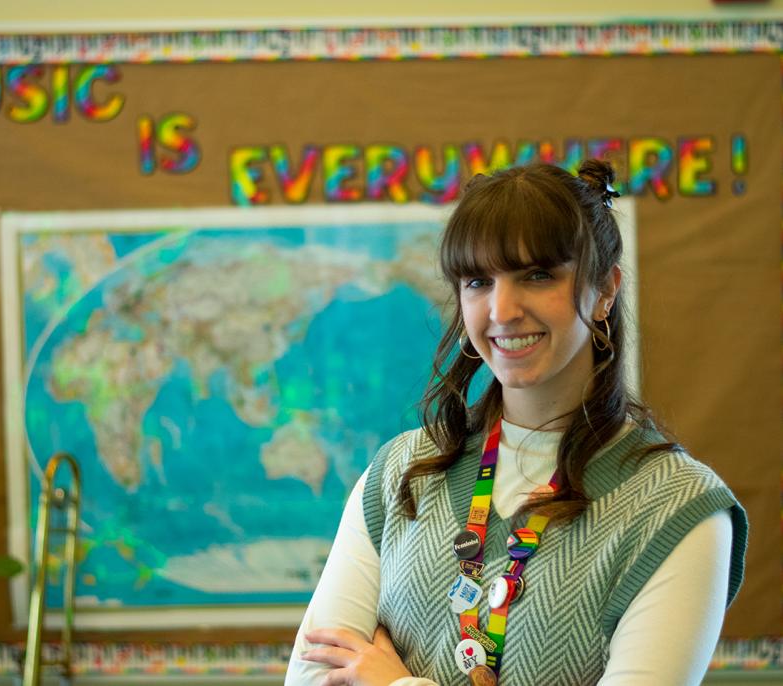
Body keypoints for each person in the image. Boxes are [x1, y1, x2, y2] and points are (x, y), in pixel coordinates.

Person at [284, 160, 748, 686]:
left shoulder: (681, 510)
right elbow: (312, 677)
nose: (502, 310)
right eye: (478, 280)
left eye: (538, 274)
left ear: (605, 290)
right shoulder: (400, 472)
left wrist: (397, 684)